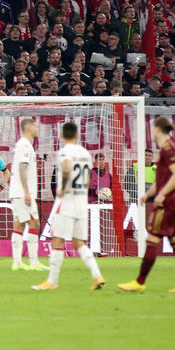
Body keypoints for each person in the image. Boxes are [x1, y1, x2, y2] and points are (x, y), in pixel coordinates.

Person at [119, 116, 175, 293]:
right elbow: (163, 178)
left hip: (168, 204)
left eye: (153, 128)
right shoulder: (165, 150)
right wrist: (148, 194)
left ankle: (140, 281)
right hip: (173, 203)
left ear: (158, 129)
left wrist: (162, 195)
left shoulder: (168, 149)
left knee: (151, 240)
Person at [33, 122, 106, 291]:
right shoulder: (86, 154)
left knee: (58, 240)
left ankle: (52, 281)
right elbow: (88, 179)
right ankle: (97, 276)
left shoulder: (65, 152)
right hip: (82, 201)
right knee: (78, 241)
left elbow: (66, 166)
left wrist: (64, 186)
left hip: (67, 201)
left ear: (61, 136)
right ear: (78, 135)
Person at [8, 118, 44, 271]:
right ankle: (34, 262)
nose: (38, 128)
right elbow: (22, 168)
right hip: (22, 193)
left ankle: (17, 263)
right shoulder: (25, 145)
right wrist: (27, 192)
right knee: (34, 223)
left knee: (20, 224)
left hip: (17, 192)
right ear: (29, 128)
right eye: (36, 126)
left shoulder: (22, 144)